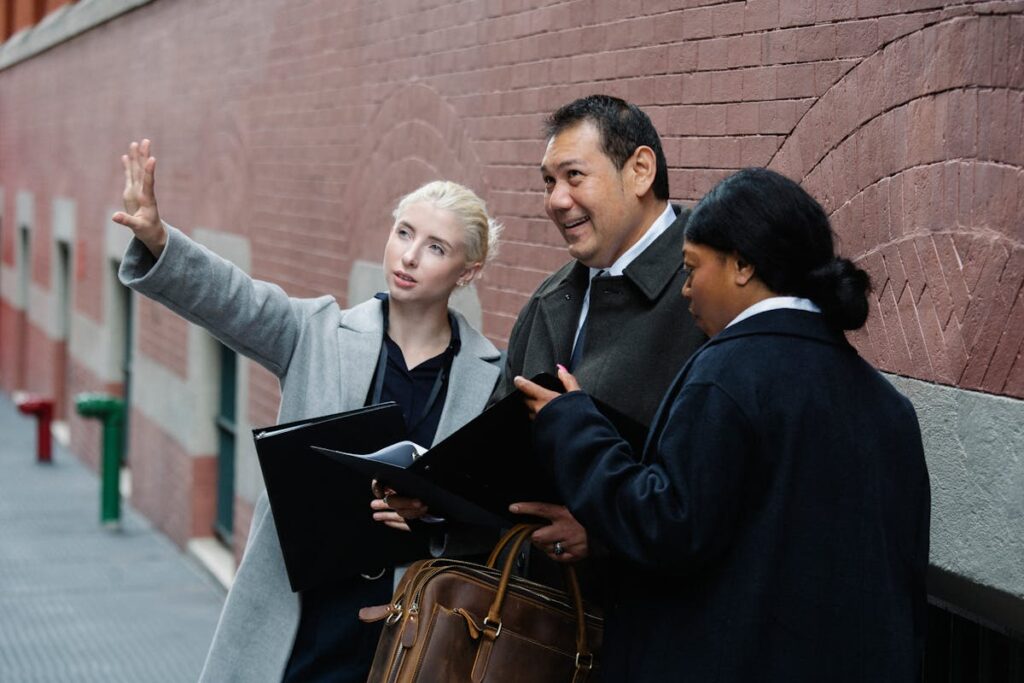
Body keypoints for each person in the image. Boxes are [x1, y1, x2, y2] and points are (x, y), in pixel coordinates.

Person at [516, 168, 931, 681]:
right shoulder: (889, 406)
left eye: (692, 267)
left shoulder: (729, 371)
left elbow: (666, 525)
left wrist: (573, 422)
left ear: (742, 265)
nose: (687, 289)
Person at [113, 139, 504, 682]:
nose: (409, 256)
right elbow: (234, 298)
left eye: (437, 247)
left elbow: (497, 518)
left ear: (468, 271)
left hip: (411, 634)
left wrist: (432, 517)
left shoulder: (489, 380)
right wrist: (159, 239)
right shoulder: (316, 332)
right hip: (303, 620)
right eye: (404, 233)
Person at [498, 94, 706, 566]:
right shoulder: (547, 300)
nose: (555, 200)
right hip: (531, 621)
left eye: (574, 176)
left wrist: (605, 536)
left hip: (645, 624)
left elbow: (720, 490)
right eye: (549, 182)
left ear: (640, 171)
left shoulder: (708, 295)